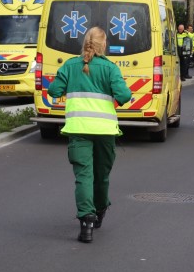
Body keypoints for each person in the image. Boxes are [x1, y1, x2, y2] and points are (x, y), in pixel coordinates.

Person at [47, 27, 132, 243]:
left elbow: (54, 91)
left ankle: (86, 221)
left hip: (78, 129)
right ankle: (100, 209)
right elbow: (124, 95)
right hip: (105, 131)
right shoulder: (110, 68)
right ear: (104, 45)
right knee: (101, 176)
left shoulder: (70, 66)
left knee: (83, 176)